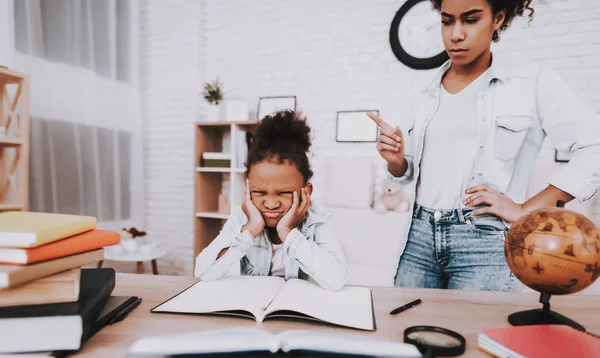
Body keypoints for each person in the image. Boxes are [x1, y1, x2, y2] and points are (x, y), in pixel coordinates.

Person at [369, 0, 600, 291]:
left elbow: (594, 146)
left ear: (498, 18)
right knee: (408, 331)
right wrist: (396, 160)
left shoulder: (531, 82)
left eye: (470, 19)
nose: (455, 34)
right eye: (447, 21)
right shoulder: (421, 90)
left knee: (476, 334)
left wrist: (527, 210)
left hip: (486, 243)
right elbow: (407, 172)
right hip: (417, 238)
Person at [195, 110, 347, 291]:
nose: (271, 204)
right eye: (259, 192)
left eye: (283, 193)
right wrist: (250, 229)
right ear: (247, 189)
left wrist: (287, 232)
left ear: (307, 191)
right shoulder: (242, 218)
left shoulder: (319, 220)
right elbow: (203, 272)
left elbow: (336, 280)